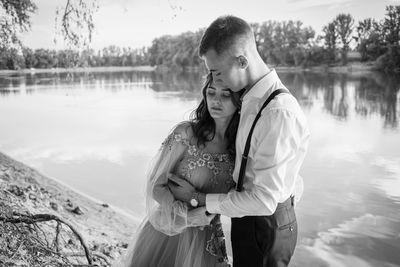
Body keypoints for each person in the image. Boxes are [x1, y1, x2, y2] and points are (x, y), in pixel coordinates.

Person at [168, 15, 310, 267]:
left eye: (217, 72)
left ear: (242, 61)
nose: (215, 80)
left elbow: (265, 200)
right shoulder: (250, 98)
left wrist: (199, 198)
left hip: (266, 226)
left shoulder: (277, 113)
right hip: (248, 218)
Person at [114, 73, 244, 267]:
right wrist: (188, 218)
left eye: (225, 95)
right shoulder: (185, 134)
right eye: (211, 93)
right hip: (168, 233)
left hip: (209, 240)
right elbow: (155, 185)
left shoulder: (240, 146)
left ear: (239, 100)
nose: (216, 101)